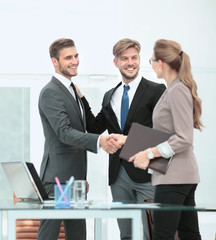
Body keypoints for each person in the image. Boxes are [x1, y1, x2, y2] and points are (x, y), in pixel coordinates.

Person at [76, 38, 166, 240]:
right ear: (116, 63)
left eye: (134, 57)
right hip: (118, 176)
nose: (130, 62)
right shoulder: (110, 95)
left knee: (153, 233)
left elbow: (164, 135)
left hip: (148, 173)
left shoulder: (156, 90)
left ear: (140, 60)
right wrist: (82, 100)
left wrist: (127, 139)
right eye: (124, 58)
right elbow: (94, 127)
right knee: (126, 235)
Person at [37, 38, 123, 240]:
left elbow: (85, 125)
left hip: (74, 180)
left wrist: (80, 178)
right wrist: (99, 141)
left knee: (78, 235)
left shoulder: (71, 90)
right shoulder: (51, 92)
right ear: (54, 62)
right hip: (57, 180)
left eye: (76, 56)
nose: (74, 61)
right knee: (48, 235)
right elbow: (64, 132)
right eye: (68, 57)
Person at [128, 39, 203, 240]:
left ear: (160, 63)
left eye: (151, 60)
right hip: (180, 176)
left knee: (162, 235)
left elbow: (184, 138)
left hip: (174, 177)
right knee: (189, 234)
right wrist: (126, 140)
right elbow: (166, 134)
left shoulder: (177, 90)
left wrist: (149, 154)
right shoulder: (173, 89)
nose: (151, 65)